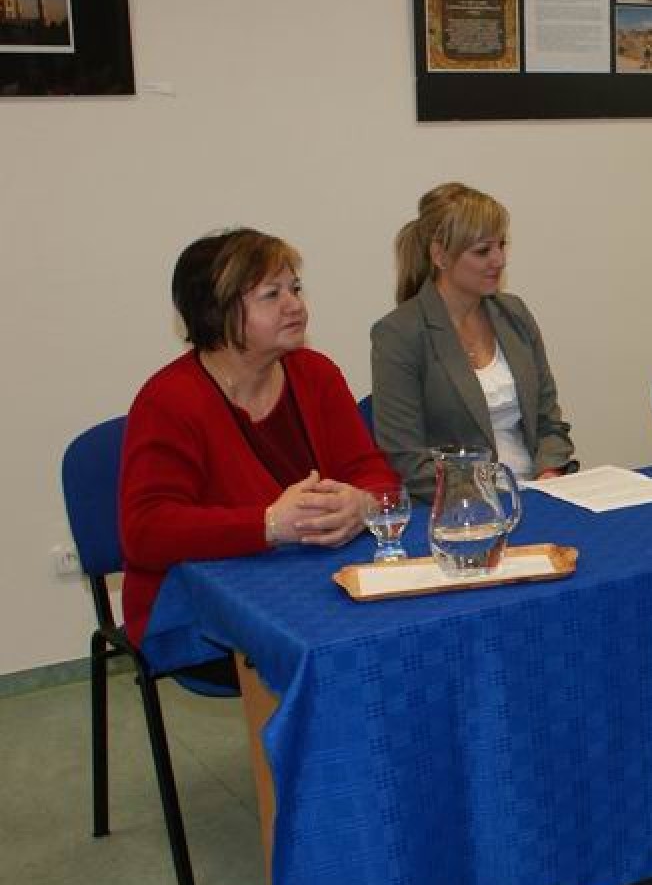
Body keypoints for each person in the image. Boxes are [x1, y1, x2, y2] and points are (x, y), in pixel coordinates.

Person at [120, 229, 398, 657]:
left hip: (313, 582)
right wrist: (268, 524)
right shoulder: (169, 401)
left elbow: (372, 472)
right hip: (201, 610)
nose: (295, 305)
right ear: (217, 311)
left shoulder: (315, 373)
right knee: (357, 649)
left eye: (295, 289)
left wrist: (363, 504)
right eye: (272, 294)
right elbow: (146, 531)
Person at [372, 183, 574, 499]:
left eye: (501, 245)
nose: (499, 260)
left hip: (538, 492)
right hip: (461, 507)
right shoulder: (399, 333)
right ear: (440, 256)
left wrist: (548, 474)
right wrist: (490, 498)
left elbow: (549, 423)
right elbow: (407, 460)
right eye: (482, 251)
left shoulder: (514, 314)